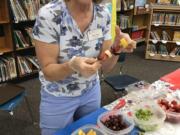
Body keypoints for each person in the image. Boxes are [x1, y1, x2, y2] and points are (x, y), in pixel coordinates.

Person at [33, 0, 136, 135]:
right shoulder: (49, 15)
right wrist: (71, 66)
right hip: (58, 96)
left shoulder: (103, 14)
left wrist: (116, 48)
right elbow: (48, 71)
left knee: (90, 131)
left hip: (91, 91)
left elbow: (105, 66)